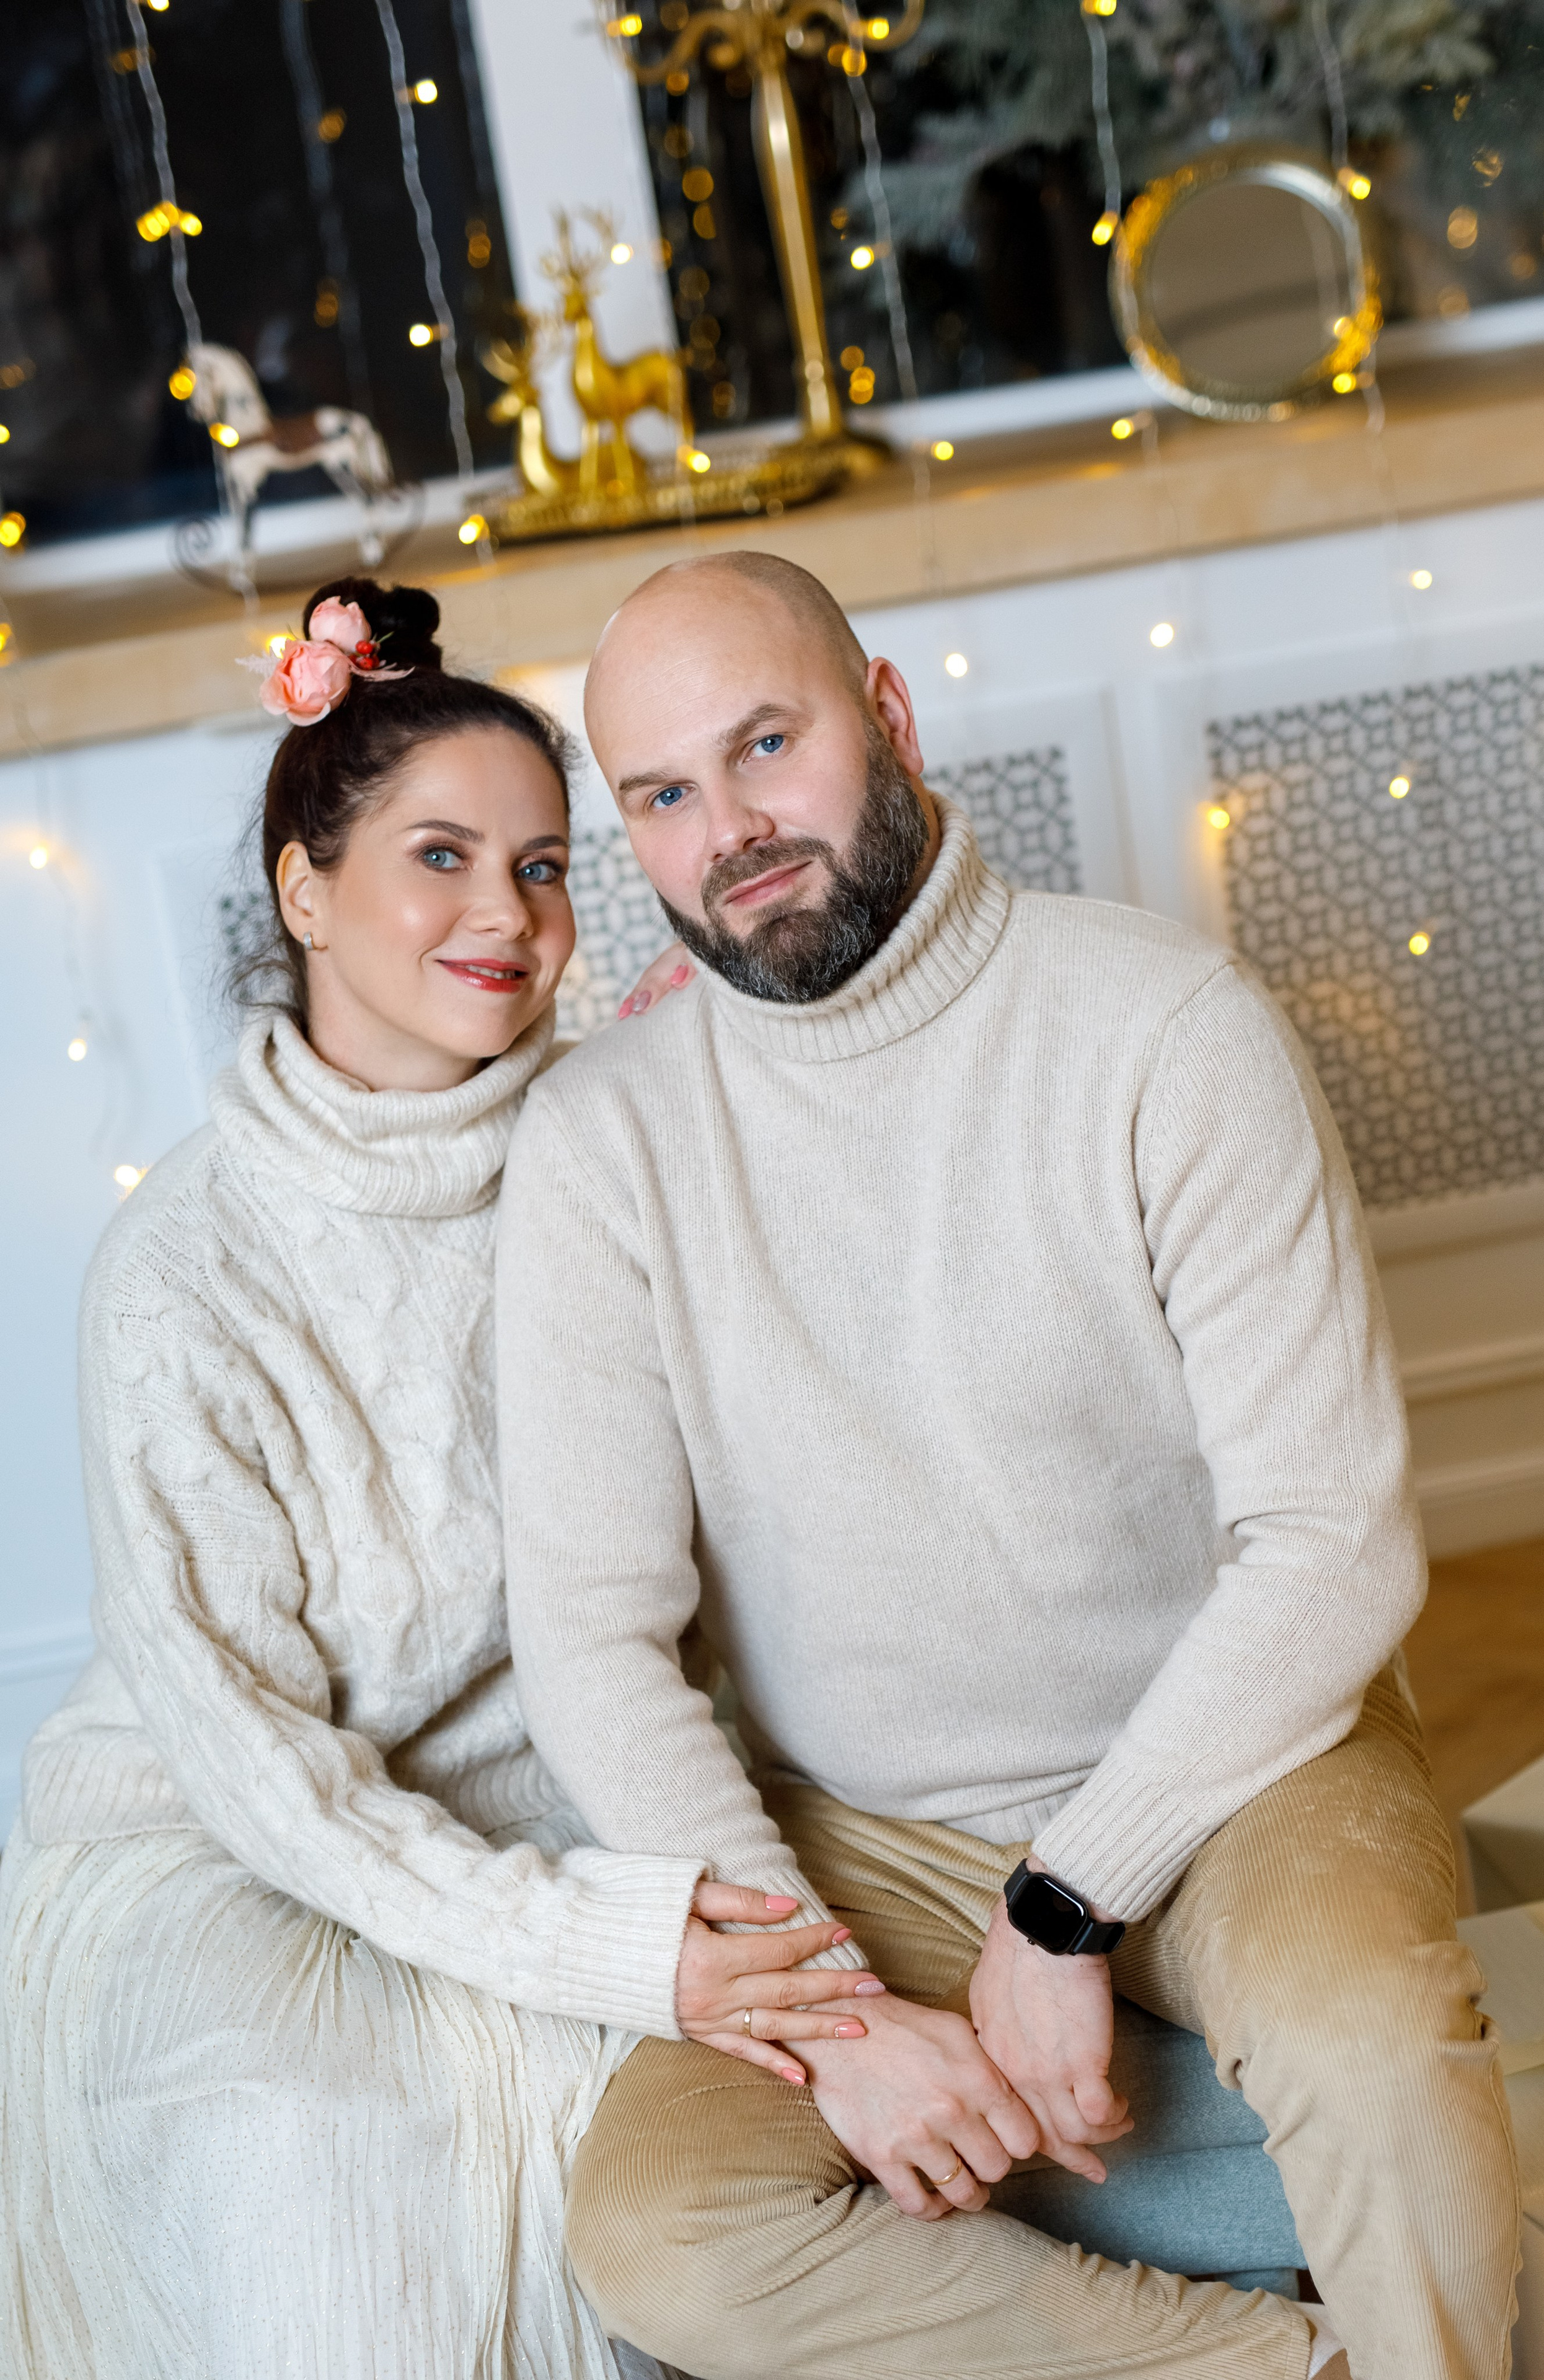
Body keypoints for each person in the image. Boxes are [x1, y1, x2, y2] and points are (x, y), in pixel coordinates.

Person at [496, 550, 1521, 2380]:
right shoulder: (600, 1147)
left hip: (1231, 1764)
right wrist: (828, 2018)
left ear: (886, 720)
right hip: (859, 1829)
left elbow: (1335, 1545)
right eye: (663, 794)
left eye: (767, 746)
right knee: (657, 2233)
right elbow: (589, 1638)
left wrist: (1067, 1904)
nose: (729, 829)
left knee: (1375, 2045)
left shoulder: (1161, 1025)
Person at [0, 578, 886, 2380]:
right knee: (323, 2165)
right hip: (232, 1836)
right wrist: (612, 1949)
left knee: (733, 2164)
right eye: (442, 856)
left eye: (549, 865)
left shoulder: (630, 1139)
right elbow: (263, 1769)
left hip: (575, 1794)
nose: (507, 912)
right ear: (304, 890)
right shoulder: (182, 1276)